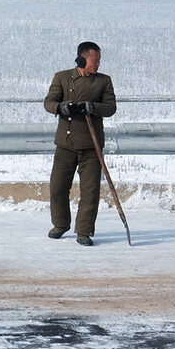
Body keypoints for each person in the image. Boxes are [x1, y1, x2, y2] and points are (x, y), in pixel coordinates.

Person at [43, 41, 116, 246]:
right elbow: (48, 102)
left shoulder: (103, 81)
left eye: (99, 60)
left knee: (90, 191)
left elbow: (111, 107)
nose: (98, 64)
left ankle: (84, 231)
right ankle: (60, 224)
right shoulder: (62, 78)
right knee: (58, 187)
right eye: (95, 60)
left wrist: (92, 107)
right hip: (65, 144)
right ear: (82, 59)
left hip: (91, 146)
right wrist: (61, 107)